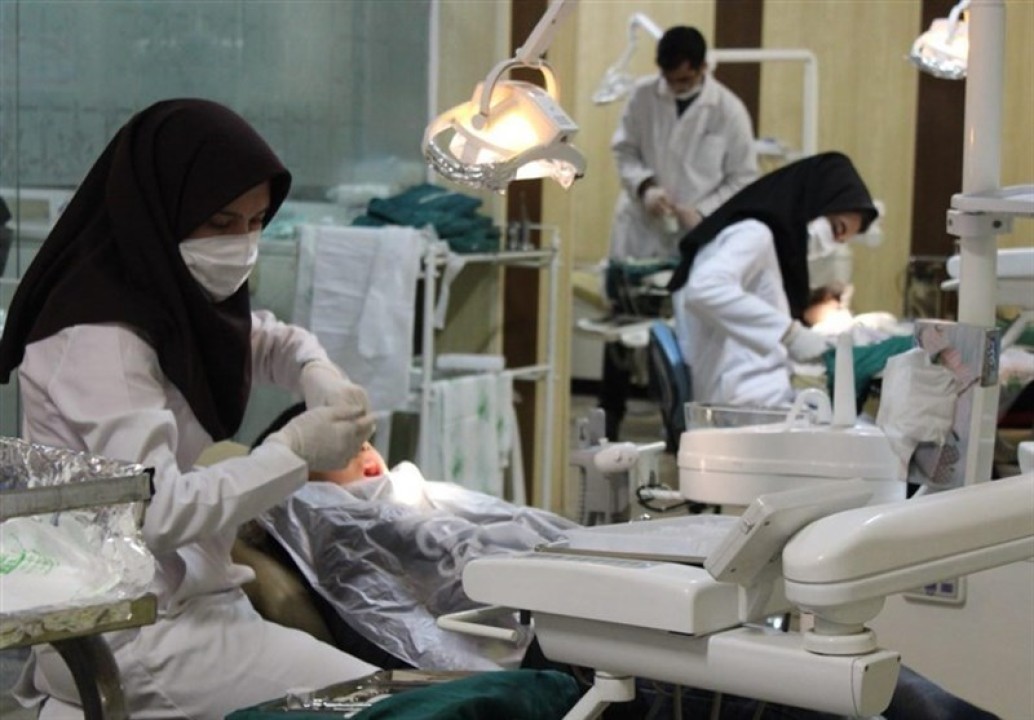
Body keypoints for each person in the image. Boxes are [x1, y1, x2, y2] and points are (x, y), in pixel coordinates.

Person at [0, 99, 379, 719]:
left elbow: (265, 339)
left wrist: (317, 373)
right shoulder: (101, 337)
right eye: (222, 222)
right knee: (388, 707)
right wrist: (291, 452)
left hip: (185, 603)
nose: (241, 245)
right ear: (160, 210)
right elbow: (158, 512)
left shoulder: (162, 297)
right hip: (135, 634)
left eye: (256, 222)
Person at [601, 25, 758, 439]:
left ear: (703, 68)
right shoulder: (643, 97)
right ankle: (609, 420)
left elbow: (743, 178)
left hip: (694, 234)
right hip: (641, 227)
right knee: (621, 328)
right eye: (669, 79)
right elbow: (624, 151)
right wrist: (646, 188)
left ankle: (676, 429)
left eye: (684, 80)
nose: (675, 87)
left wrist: (701, 211)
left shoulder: (727, 110)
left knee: (683, 335)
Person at [668, 151, 879, 408]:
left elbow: (754, 299)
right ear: (814, 200)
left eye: (842, 241)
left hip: (751, 393)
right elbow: (704, 289)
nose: (831, 244)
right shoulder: (754, 233)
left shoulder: (766, 243)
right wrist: (791, 334)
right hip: (742, 401)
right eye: (836, 229)